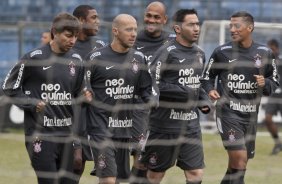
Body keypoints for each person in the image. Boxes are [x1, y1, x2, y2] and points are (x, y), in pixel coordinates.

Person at [1, 12, 91, 184]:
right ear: (54, 32)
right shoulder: (33, 58)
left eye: (75, 37)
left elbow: (77, 95)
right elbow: (9, 86)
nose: (72, 41)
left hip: (68, 137)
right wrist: (31, 103)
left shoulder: (77, 60)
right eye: (68, 35)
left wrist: (85, 96)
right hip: (41, 135)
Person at [201, 11, 279, 184]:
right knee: (240, 159)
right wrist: (210, 90)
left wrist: (264, 83)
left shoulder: (265, 53)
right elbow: (206, 78)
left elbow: (274, 82)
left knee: (237, 165)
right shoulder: (221, 52)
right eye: (230, 26)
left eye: (237, 26)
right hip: (228, 113)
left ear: (250, 28)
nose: (232, 29)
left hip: (250, 116)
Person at [141, 9, 210, 184]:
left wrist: (203, 100)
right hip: (165, 126)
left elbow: (197, 84)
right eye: (191, 24)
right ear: (177, 28)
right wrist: (182, 91)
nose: (196, 28)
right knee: (156, 175)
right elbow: (151, 82)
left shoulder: (200, 53)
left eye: (197, 24)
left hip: (191, 125)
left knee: (196, 173)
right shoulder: (166, 52)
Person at [85, 14, 153, 184]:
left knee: (117, 180)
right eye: (128, 29)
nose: (134, 34)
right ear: (115, 31)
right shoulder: (95, 58)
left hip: (125, 129)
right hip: (100, 129)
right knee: (108, 180)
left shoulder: (139, 58)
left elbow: (146, 90)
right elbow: (82, 86)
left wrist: (152, 101)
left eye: (135, 29)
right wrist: (85, 94)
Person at [130, 1, 173, 183]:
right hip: (138, 107)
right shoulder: (133, 39)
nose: (151, 20)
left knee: (156, 162)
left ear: (164, 20)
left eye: (156, 17)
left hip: (164, 110)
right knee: (140, 158)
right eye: (148, 15)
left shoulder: (172, 41)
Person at [71, 4, 106, 181]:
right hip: (73, 114)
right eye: (94, 18)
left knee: (107, 166)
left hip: (97, 115)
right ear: (81, 21)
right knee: (76, 163)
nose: (98, 22)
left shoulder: (100, 45)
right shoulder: (68, 44)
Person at [263, 38, 282, 155]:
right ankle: (278, 143)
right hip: (273, 95)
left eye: (271, 48)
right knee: (267, 119)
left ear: (276, 48)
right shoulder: (267, 62)